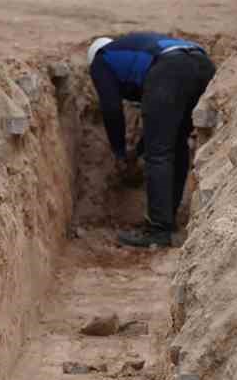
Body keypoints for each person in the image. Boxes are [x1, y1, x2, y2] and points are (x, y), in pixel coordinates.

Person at [87, 32, 216, 248]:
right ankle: (168, 220)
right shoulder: (132, 51)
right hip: (202, 65)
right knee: (175, 143)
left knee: (158, 154)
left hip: (170, 69)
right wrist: (137, 150)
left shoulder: (101, 59)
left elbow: (111, 109)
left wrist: (119, 152)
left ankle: (158, 231)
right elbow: (161, 126)